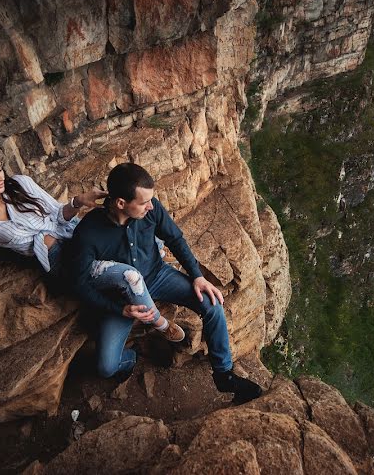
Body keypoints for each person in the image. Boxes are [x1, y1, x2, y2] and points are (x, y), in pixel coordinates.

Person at [0, 144, 184, 342]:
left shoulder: (20, 184)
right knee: (129, 275)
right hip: (59, 260)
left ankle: (157, 260)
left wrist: (77, 202)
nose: (0, 177)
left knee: (136, 233)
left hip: (76, 235)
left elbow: (56, 215)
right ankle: (159, 323)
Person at [69, 162, 262, 404]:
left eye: (151, 200)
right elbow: (78, 283)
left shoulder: (151, 210)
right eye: (143, 202)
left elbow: (175, 238)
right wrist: (119, 309)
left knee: (212, 305)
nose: (151, 206)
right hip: (121, 298)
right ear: (121, 203)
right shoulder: (89, 231)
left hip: (158, 276)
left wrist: (197, 276)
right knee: (106, 368)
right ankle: (131, 356)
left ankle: (224, 375)